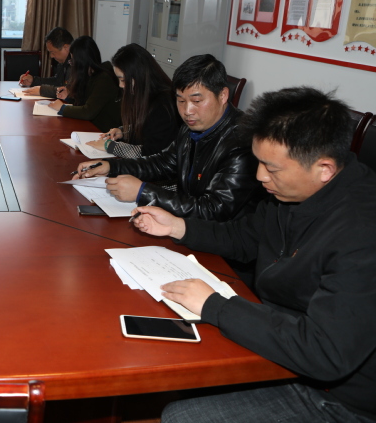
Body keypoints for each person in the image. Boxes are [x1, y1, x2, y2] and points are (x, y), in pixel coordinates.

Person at [130, 87, 376, 423]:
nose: (260, 176)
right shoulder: (294, 193)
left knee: (182, 416)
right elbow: (245, 236)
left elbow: (325, 352)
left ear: (324, 169)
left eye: (271, 168)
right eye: (258, 162)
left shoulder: (362, 234)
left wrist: (215, 306)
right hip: (283, 341)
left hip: (340, 397)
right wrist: (178, 227)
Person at [76, 54, 261, 222]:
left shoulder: (242, 142)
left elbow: (213, 209)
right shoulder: (192, 126)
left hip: (222, 240)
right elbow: (164, 162)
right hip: (187, 225)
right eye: (180, 101)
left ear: (223, 95)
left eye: (197, 101)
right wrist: (112, 167)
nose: (187, 111)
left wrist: (143, 192)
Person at [86, 43, 180, 158]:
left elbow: (150, 153)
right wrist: (123, 131)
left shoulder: (163, 104)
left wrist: (110, 146)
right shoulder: (144, 95)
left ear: (139, 76)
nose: (120, 85)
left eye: (123, 80)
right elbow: (146, 126)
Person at [44, 35, 121, 132]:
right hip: (89, 127)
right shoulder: (90, 75)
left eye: (73, 61)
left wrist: (62, 108)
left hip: (103, 131)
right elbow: (82, 102)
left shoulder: (104, 79)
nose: (72, 65)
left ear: (82, 61)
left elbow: (87, 112)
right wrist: (69, 95)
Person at [18, 26, 73, 98]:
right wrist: (33, 80)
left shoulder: (77, 63)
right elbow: (57, 81)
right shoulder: (63, 62)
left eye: (53, 52)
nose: (51, 56)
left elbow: (68, 91)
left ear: (66, 47)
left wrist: (42, 90)